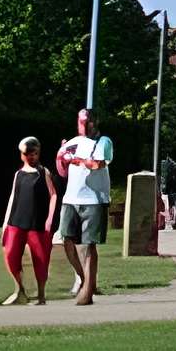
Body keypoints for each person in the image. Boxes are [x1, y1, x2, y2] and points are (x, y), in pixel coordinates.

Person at [53, 108, 114, 307]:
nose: (85, 126)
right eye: (81, 122)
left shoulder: (103, 142)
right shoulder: (72, 142)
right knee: (67, 240)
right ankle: (84, 278)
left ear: (96, 122)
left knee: (88, 245)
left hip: (94, 200)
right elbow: (62, 171)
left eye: (88, 122)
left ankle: (87, 292)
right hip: (71, 199)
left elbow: (97, 164)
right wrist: (61, 157)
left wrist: (75, 159)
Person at [1, 137, 56, 306]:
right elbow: (13, 197)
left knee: (40, 258)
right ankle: (20, 290)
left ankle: (41, 296)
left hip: (37, 222)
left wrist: (49, 220)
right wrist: (5, 224)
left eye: (34, 153)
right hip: (16, 221)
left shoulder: (43, 172)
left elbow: (53, 195)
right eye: (27, 154)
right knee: (10, 255)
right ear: (22, 155)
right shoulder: (18, 174)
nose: (31, 157)